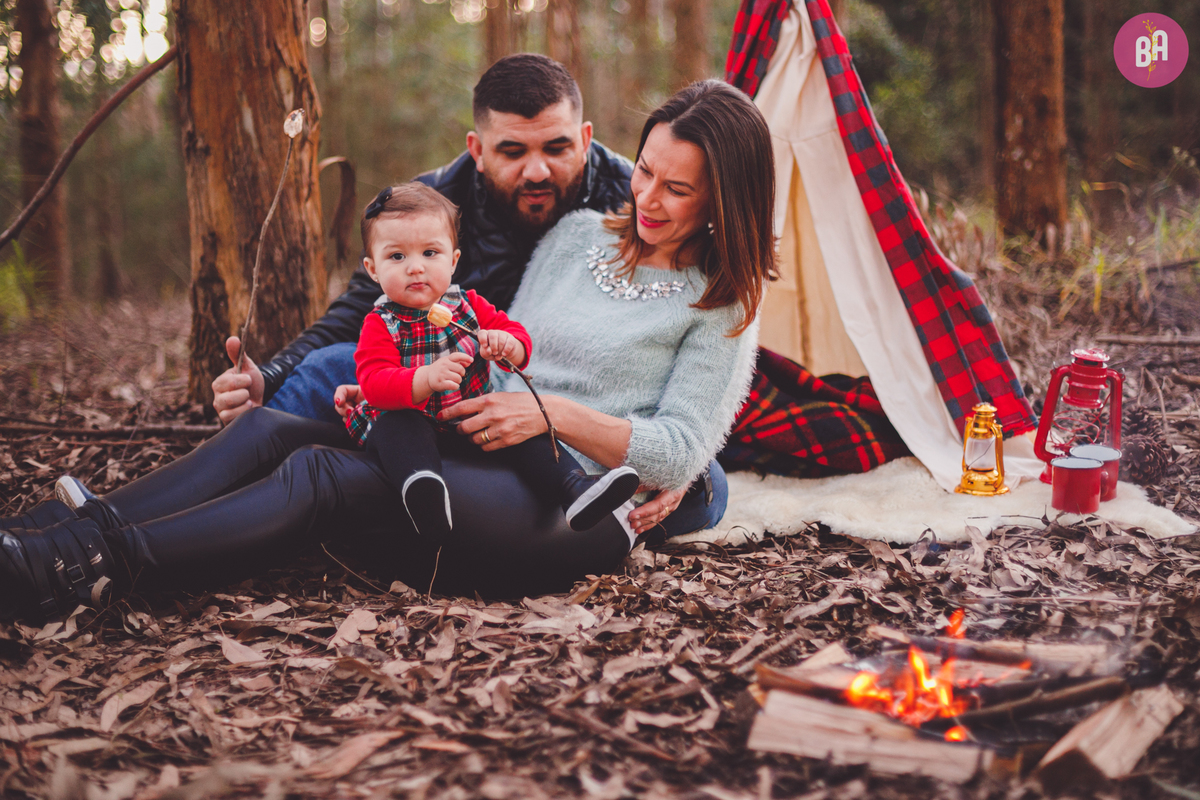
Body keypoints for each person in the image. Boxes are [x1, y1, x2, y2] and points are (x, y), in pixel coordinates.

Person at [1, 79, 775, 624]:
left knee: (321, 475)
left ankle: (86, 570)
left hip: (570, 500)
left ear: (721, 201)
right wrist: (405, 388)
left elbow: (678, 449)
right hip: (478, 438)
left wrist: (555, 417)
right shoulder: (577, 238)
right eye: (645, 171)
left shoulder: (722, 302)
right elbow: (497, 348)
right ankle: (62, 533)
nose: (647, 197)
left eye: (678, 190)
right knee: (273, 428)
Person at [347, 182, 639, 537]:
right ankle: (422, 490)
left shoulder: (469, 306)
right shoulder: (381, 324)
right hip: (418, 423)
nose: (415, 268)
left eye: (429, 253)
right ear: (372, 268)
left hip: (472, 421)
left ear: (453, 259)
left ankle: (574, 489)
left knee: (527, 433)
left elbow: (517, 336)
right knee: (396, 428)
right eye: (397, 257)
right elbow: (374, 384)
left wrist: (507, 345)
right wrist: (423, 379)